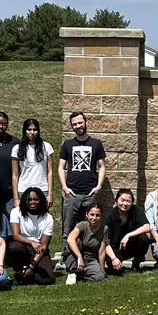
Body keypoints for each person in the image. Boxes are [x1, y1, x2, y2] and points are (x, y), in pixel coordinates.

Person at [57, 111, 106, 268]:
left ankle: (88, 257)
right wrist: (64, 187)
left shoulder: (96, 144)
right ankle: (65, 257)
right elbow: (61, 167)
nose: (78, 126)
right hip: (72, 193)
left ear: (86, 122)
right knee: (68, 228)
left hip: (89, 194)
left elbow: (102, 166)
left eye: (80, 122)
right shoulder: (68, 145)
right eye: (74, 124)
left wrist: (98, 187)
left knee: (91, 227)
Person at [8, 187, 55, 285]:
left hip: (39, 250)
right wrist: (32, 242)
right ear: (24, 201)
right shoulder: (16, 211)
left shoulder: (48, 218)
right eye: (29, 200)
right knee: (14, 247)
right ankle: (20, 270)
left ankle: (26, 273)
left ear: (41, 200)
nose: (32, 202)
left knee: (47, 280)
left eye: (35, 199)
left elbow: (44, 246)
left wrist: (32, 266)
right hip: (22, 245)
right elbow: (16, 236)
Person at [103, 188, 150, 274]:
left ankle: (136, 263)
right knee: (115, 270)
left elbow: (147, 227)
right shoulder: (108, 216)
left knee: (144, 239)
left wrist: (128, 235)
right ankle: (115, 261)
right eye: (122, 200)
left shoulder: (136, 210)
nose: (125, 204)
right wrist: (114, 258)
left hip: (129, 245)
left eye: (128, 201)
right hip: (113, 248)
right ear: (116, 201)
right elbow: (105, 242)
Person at [11, 118, 54, 209]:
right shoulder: (17, 148)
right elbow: (15, 175)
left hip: (42, 189)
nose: (32, 132)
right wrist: (16, 198)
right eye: (29, 129)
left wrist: (50, 194)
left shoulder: (46, 147)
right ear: (24, 131)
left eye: (35, 130)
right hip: (23, 189)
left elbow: (50, 172)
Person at [64, 203, 109, 285]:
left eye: (97, 215)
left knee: (100, 277)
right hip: (76, 255)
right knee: (75, 241)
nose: (94, 218)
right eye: (92, 215)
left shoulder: (104, 229)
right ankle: (72, 271)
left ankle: (81, 275)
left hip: (90, 258)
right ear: (87, 214)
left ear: (101, 216)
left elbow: (102, 251)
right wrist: (79, 257)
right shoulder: (82, 225)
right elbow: (70, 239)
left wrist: (102, 269)